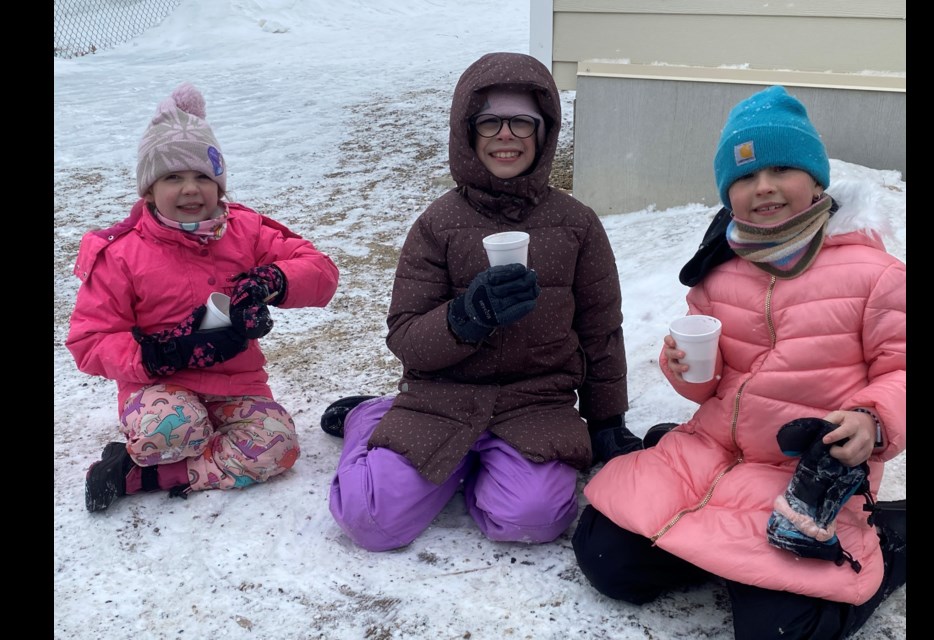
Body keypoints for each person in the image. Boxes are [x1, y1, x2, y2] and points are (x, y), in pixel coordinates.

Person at [571, 85, 906, 639]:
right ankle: (727, 556)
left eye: (782, 168)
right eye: (745, 176)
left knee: (783, 630)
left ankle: (890, 539)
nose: (764, 186)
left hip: (805, 474)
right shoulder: (720, 269)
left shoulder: (876, 275)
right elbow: (713, 382)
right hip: (711, 450)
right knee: (608, 561)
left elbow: (901, 369)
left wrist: (874, 419)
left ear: (816, 180)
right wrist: (684, 369)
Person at [324, 51, 632, 552]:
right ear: (468, 132)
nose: (505, 134)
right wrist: (467, 316)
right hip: (440, 398)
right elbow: (404, 335)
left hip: (535, 403)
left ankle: (474, 467)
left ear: (544, 132)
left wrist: (607, 420)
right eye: (490, 122)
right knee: (369, 521)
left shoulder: (578, 224)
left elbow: (601, 330)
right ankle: (372, 418)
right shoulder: (437, 225)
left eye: (521, 122)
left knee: (531, 521)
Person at [67, 82, 340, 512]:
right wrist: (154, 355)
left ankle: (147, 475)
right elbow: (88, 340)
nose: (190, 189)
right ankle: (176, 442)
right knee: (174, 430)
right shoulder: (121, 253)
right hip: (159, 383)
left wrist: (272, 281)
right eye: (173, 177)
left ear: (219, 185)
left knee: (278, 446)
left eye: (202, 177)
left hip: (237, 384)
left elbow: (321, 272)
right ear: (149, 190)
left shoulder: (246, 231)